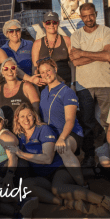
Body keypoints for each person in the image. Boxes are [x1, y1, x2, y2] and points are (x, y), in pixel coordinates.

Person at [9, 103, 110, 218]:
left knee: (58, 188)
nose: (26, 119)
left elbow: (48, 159)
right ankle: (67, 203)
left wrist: (21, 153)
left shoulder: (43, 129)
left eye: (29, 115)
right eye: (22, 116)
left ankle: (106, 201)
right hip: (42, 175)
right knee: (26, 185)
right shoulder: (20, 136)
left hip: (58, 168)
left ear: (34, 116)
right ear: (17, 119)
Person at [70, 3, 110, 168]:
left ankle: (109, 153)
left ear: (96, 14)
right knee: (87, 123)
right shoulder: (76, 35)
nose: (88, 19)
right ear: (80, 17)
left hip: (106, 83)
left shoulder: (106, 31)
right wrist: (99, 54)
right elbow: (74, 61)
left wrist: (83, 53)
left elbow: (109, 56)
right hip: (84, 85)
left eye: (91, 15)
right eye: (84, 16)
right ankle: (89, 156)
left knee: (108, 122)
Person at [0, 107, 39, 219]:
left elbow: (13, 157)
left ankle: (21, 201)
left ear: (4, 121)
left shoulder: (5, 136)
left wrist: (9, 175)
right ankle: (21, 211)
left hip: (4, 170)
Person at [37, 58, 85, 186]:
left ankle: (83, 184)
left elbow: (70, 120)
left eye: (48, 70)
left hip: (70, 133)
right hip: (52, 135)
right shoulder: (43, 92)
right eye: (42, 72)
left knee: (64, 149)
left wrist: (62, 138)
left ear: (55, 69)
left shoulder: (67, 92)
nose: (46, 74)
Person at [0, 58, 40, 130]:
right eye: (6, 69)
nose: (9, 71)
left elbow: (36, 109)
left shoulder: (27, 86)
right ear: (2, 72)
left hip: (24, 130)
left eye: (13, 68)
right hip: (6, 130)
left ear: (16, 71)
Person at [31, 12, 73, 87]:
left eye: (54, 22)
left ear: (58, 23)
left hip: (66, 82)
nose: (51, 25)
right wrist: (36, 85)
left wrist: (73, 83)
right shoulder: (37, 44)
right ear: (44, 24)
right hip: (46, 84)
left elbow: (73, 64)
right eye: (48, 23)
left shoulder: (67, 40)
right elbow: (35, 66)